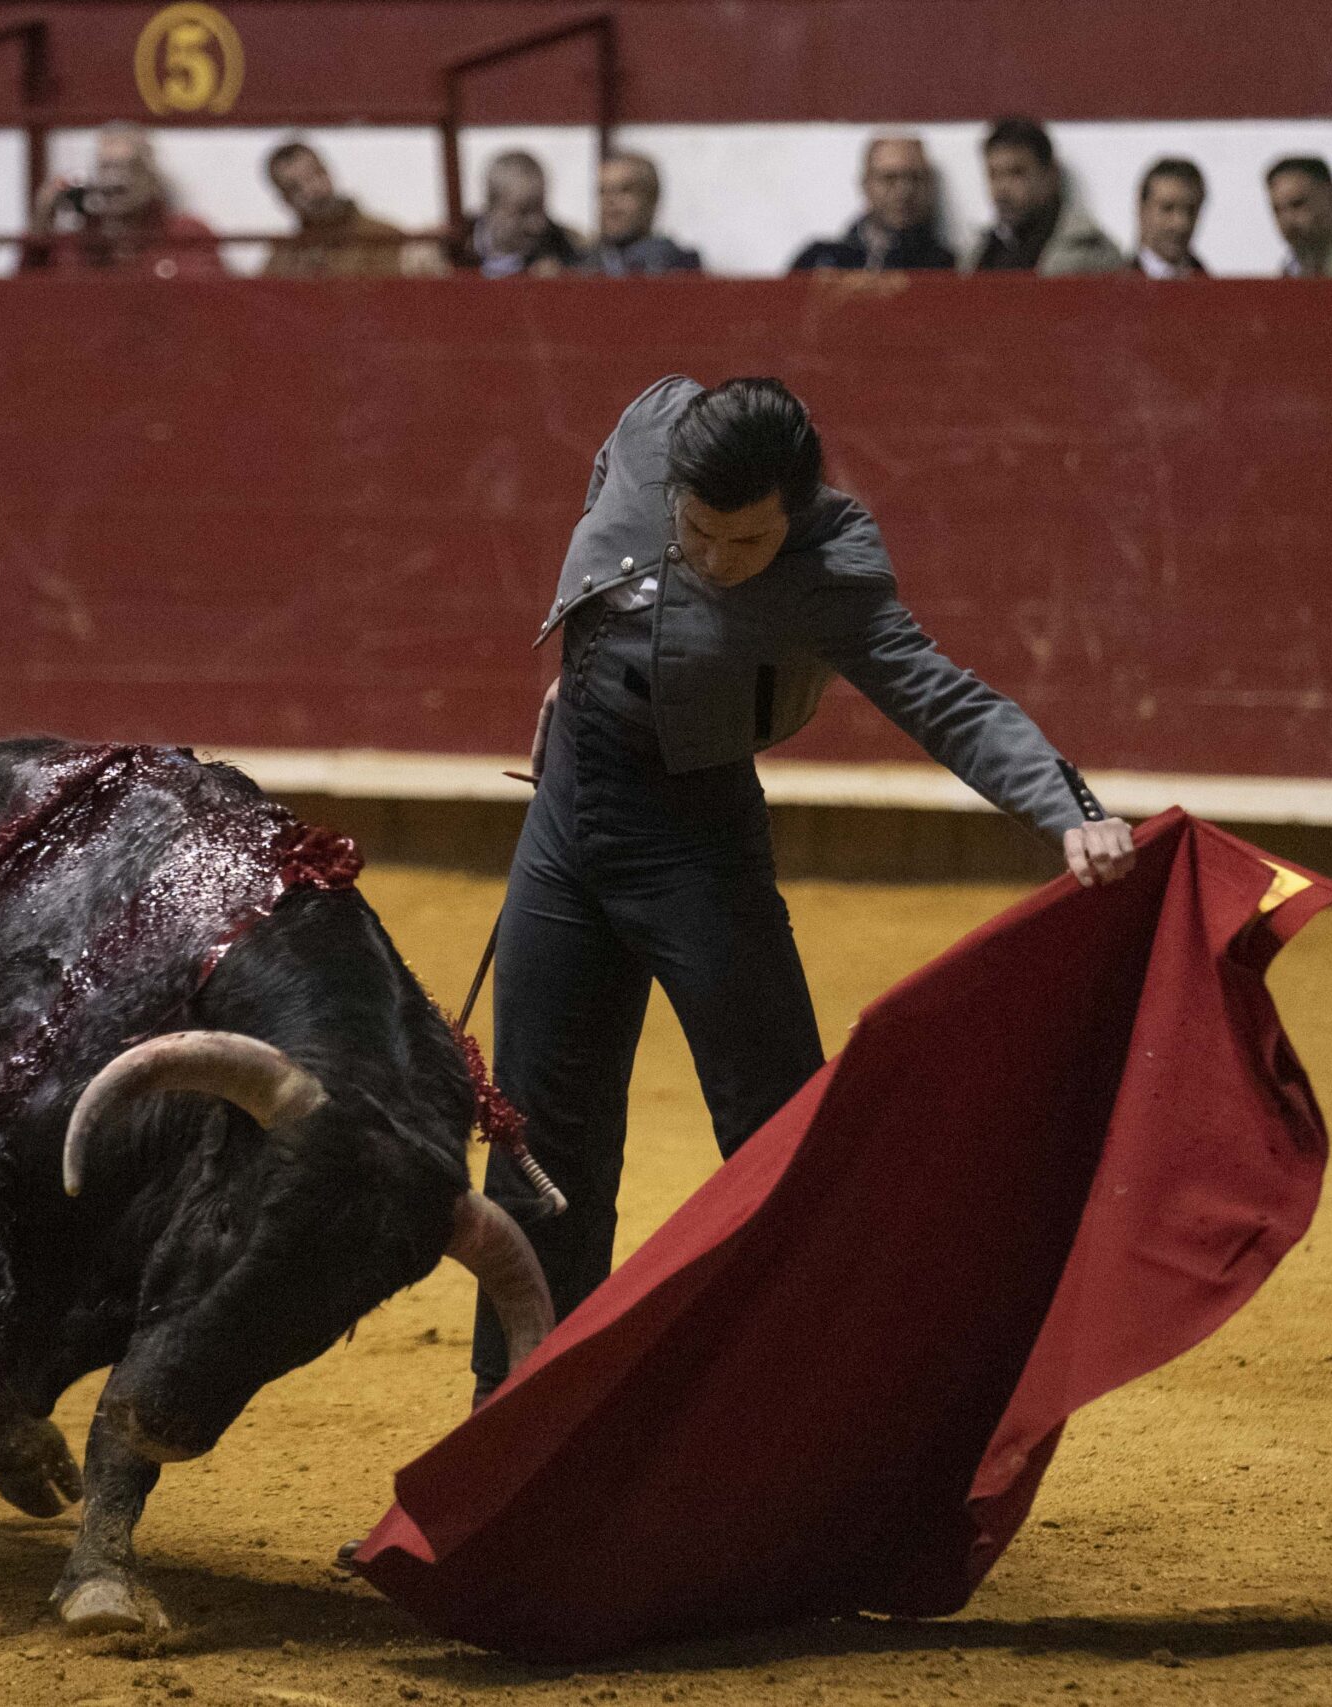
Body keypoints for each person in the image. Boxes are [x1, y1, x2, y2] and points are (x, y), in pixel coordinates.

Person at [468, 375, 1135, 1400]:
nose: (718, 563)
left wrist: (1069, 809)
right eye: (698, 532)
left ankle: (817, 1411)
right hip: (563, 822)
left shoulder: (829, 564)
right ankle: (500, 1429)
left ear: (795, 514)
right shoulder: (650, 424)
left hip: (693, 842)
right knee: (538, 1150)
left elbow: (943, 699)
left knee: (778, 1134)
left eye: (749, 544)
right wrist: (586, 658)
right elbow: (607, 511)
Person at [28, 123, 222, 278]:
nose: (116, 179)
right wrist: (41, 222)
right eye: (106, 167)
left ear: (150, 174)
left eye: (128, 166)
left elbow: (229, 304)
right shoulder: (78, 246)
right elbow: (24, 306)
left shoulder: (188, 235)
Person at [966, 117, 1121, 275]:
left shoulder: (1092, 252)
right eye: (993, 175)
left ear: (1050, 174)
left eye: (1016, 173)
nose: (1002, 189)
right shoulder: (976, 253)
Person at [261, 138, 435, 278]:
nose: (312, 190)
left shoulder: (382, 237)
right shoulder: (283, 256)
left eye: (315, 175)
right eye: (295, 187)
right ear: (284, 199)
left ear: (328, 173)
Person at [790, 133, 953, 272]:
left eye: (915, 178)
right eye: (889, 178)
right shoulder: (820, 262)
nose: (904, 191)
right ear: (866, 185)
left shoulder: (947, 267)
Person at [574, 152, 701, 276]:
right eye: (602, 191)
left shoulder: (680, 267)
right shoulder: (582, 264)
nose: (610, 200)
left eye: (625, 190)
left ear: (651, 198)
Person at [461, 151, 579, 277]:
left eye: (540, 209)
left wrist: (558, 277)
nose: (536, 224)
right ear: (493, 207)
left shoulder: (557, 244)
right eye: (524, 212)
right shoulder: (461, 242)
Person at [1131, 157, 1209, 277]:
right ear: (1142, 210)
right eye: (1167, 208)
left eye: (1190, 210)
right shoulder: (1111, 289)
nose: (1180, 223)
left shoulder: (1212, 290)